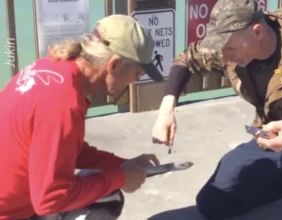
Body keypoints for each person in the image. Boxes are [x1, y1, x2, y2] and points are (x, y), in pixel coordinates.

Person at [152, 0, 282, 220]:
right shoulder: (231, 47)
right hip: (271, 136)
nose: (224, 56)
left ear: (257, 32)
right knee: (213, 204)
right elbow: (186, 59)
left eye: (229, 48)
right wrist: (166, 109)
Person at [0, 14, 164, 220]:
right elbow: (50, 200)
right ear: (115, 64)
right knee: (108, 201)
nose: (133, 82)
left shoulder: (49, 67)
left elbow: (65, 148)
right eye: (137, 74)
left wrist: (120, 165)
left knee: (107, 191)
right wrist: (119, 178)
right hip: (11, 213)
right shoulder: (63, 104)